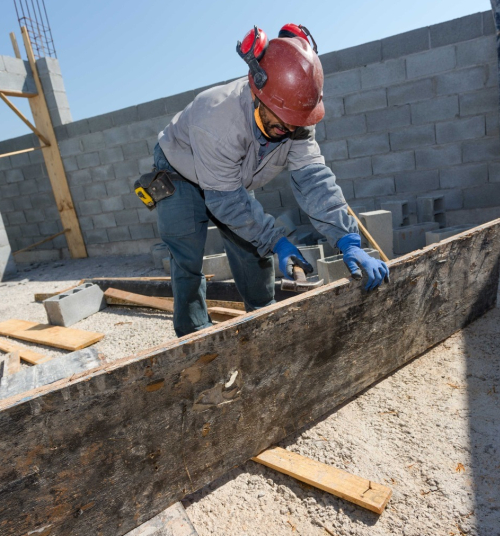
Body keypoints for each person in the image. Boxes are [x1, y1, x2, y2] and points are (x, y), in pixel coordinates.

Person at [151, 24, 389, 337]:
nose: (289, 132)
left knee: (252, 251)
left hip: (227, 181)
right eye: (281, 124)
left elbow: (314, 180)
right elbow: (225, 201)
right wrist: (276, 240)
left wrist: (348, 240)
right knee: (188, 257)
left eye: (296, 125)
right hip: (181, 171)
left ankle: (264, 322)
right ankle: (194, 336)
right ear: (258, 92)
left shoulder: (294, 116)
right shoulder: (217, 120)